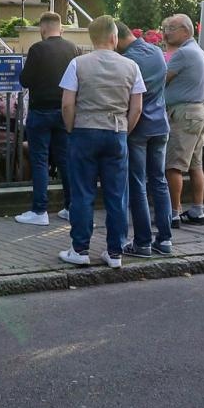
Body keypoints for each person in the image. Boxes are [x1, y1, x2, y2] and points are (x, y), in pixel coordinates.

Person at [58, 15, 144, 269]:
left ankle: (80, 248)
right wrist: (123, 131)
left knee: (82, 193)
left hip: (84, 130)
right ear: (114, 37)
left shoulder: (77, 64)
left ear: (92, 38)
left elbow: (66, 103)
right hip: (116, 132)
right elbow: (137, 108)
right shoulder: (131, 66)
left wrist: (72, 128)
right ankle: (115, 252)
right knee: (116, 195)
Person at [16, 11, 78, 225]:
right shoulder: (73, 49)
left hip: (40, 111)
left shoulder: (37, 49)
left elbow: (25, 80)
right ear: (60, 28)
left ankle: (40, 210)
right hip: (64, 111)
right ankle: (71, 207)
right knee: (65, 160)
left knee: (39, 160)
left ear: (42, 29)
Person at [116, 22, 171, 258]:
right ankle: (165, 240)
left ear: (116, 38)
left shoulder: (127, 61)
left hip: (138, 127)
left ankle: (142, 242)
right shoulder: (157, 52)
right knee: (159, 181)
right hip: (160, 125)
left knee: (137, 184)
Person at [161, 13, 204, 227]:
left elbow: (163, 79)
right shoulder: (197, 51)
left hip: (184, 114)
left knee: (173, 166)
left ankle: (172, 212)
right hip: (199, 112)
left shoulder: (183, 53)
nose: (166, 32)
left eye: (172, 28)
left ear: (185, 31)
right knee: (195, 165)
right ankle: (197, 210)